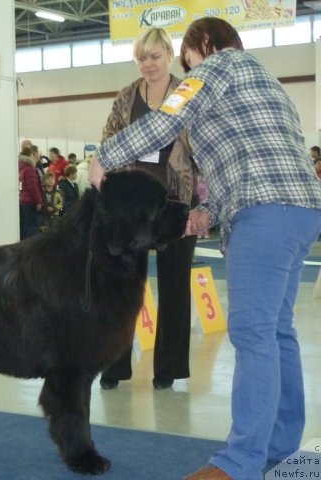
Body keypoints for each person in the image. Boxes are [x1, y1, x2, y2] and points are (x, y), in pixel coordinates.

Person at [89, 17, 321, 480]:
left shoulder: (215, 68)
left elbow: (166, 119)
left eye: (186, 58)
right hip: (302, 211)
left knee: (253, 334)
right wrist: (208, 212)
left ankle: (239, 463)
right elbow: (247, 157)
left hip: (264, 212)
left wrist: (104, 157)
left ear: (205, 45)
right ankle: (279, 446)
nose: (186, 67)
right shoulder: (268, 82)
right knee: (277, 332)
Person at [98, 27, 198, 392]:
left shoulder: (188, 93)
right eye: (141, 57)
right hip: (131, 208)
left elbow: (200, 146)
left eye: (154, 56)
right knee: (122, 288)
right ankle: (113, 367)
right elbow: (109, 139)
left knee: (175, 288)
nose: (147, 64)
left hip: (175, 204)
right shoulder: (126, 97)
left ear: (170, 55)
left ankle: (167, 370)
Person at [18, 146, 43, 239]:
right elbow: (33, 187)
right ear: (31, 155)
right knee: (33, 227)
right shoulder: (30, 169)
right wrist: (39, 201)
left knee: (26, 226)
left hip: (24, 200)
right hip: (31, 201)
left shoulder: (22, 167)